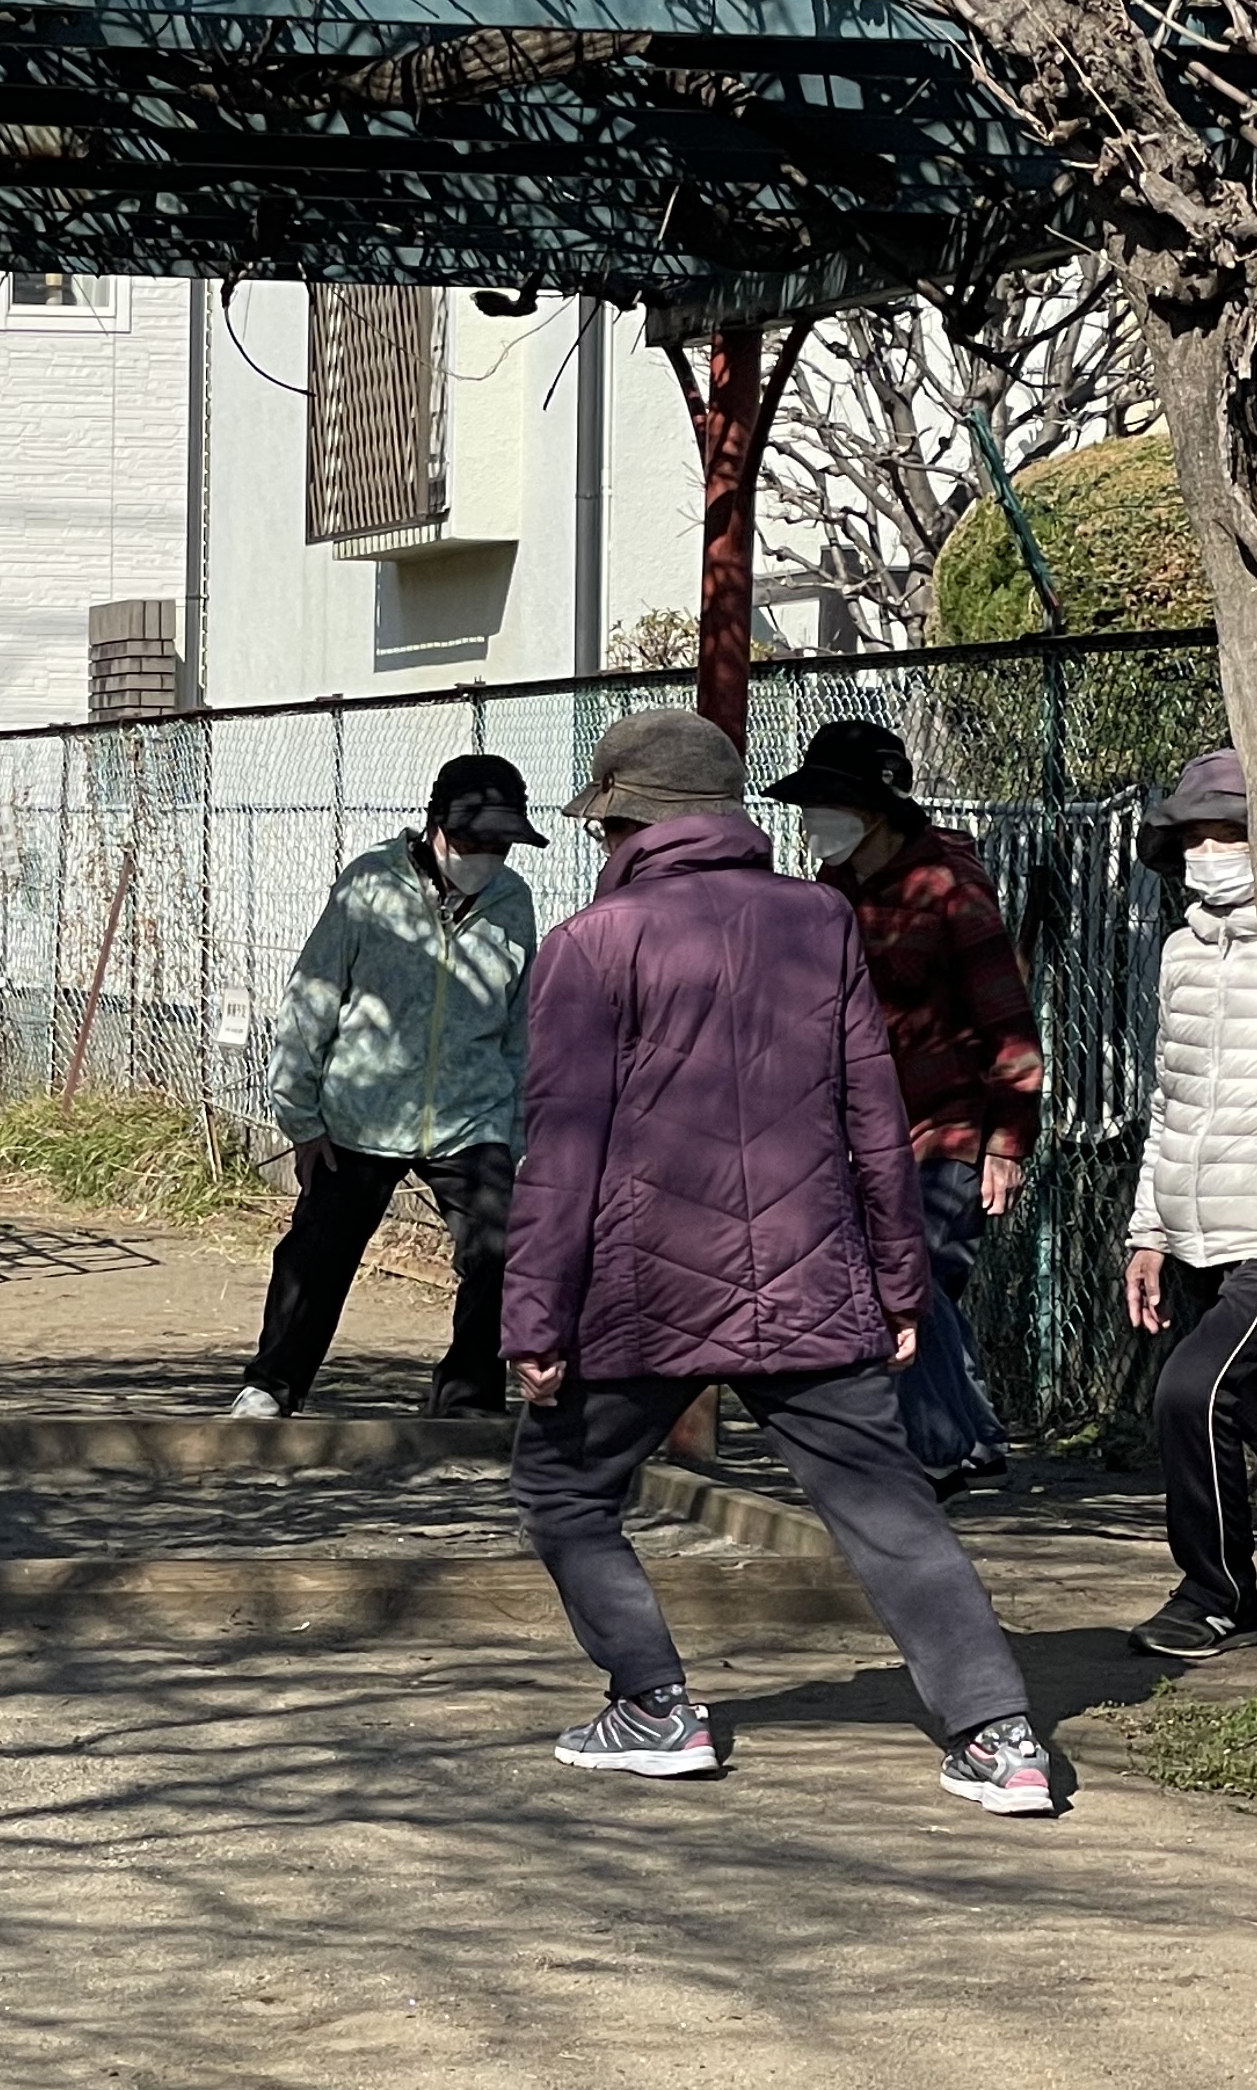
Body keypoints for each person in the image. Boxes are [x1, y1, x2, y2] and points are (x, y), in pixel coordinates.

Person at [501, 708, 1055, 1815]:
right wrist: (898, 1287)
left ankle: (654, 1706)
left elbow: (561, 1150)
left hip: (641, 1290)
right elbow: (873, 1118)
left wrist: (534, 1321)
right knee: (890, 1508)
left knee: (562, 1489)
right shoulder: (819, 919)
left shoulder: (589, 945)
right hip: (812, 1279)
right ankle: (1001, 1739)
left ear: (624, 824)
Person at [767, 718, 1044, 1489]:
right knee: (913, 1286)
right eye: (810, 803)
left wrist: (1006, 1142)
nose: (814, 818)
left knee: (909, 1276)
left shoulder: (950, 888)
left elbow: (1008, 1023)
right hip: (862, 1130)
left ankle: (941, 1450)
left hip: (949, 1126)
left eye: (831, 802)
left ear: (877, 809)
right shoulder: (834, 890)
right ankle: (974, 1439)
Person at [232, 753, 544, 1420]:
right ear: (437, 827)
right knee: (318, 1252)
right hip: (360, 1113)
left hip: (471, 1116)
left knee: (500, 1250)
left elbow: (518, 1022)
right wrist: (301, 1118)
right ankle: (274, 1384)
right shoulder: (369, 885)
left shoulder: (513, 901)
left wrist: (514, 1129)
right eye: (473, 840)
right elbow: (314, 995)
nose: (486, 856)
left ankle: (468, 1400)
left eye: (500, 844)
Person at [1123, 747, 1257, 1659]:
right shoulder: (1179, 952)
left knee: (1192, 1390)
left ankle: (1215, 1596)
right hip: (1198, 1224)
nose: (1210, 854)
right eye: (1195, 837)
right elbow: (1169, 1096)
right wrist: (1150, 1232)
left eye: (1230, 834)